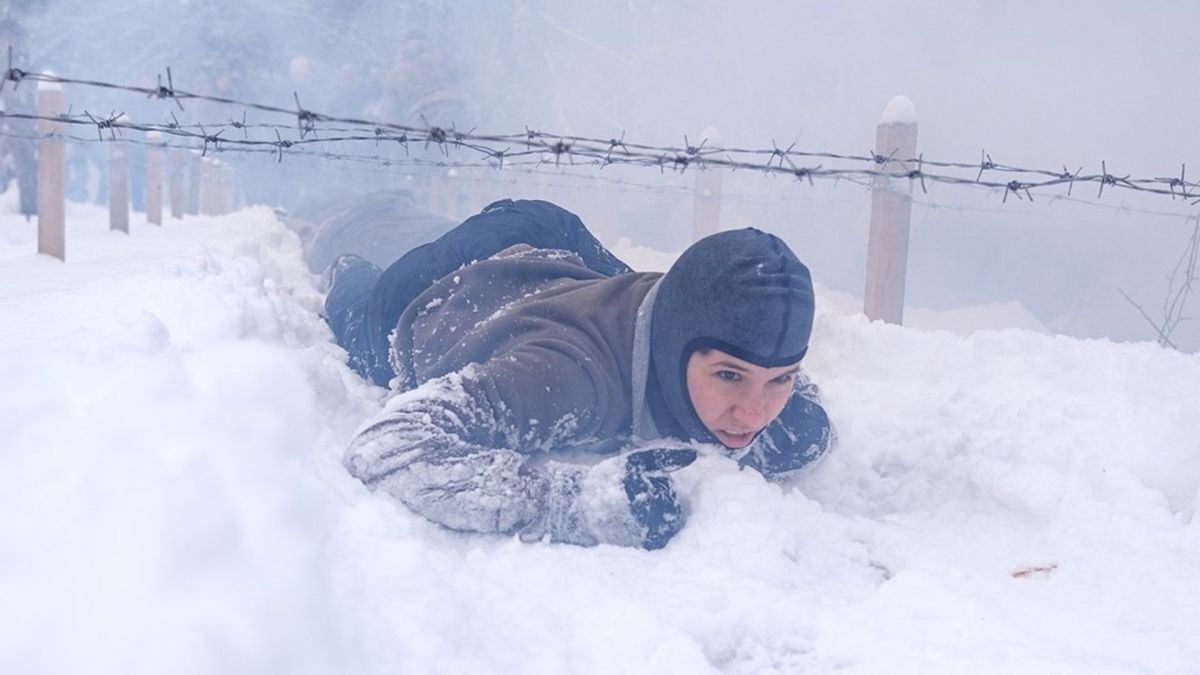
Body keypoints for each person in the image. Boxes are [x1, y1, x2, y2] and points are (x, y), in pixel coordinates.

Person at [328, 198, 834, 550]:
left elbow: (788, 392)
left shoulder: (688, 317)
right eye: (729, 376)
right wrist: (574, 506)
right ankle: (341, 248)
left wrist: (795, 412)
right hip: (430, 289)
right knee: (358, 283)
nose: (754, 413)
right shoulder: (568, 377)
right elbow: (388, 445)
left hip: (556, 241)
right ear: (680, 345)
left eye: (780, 380)